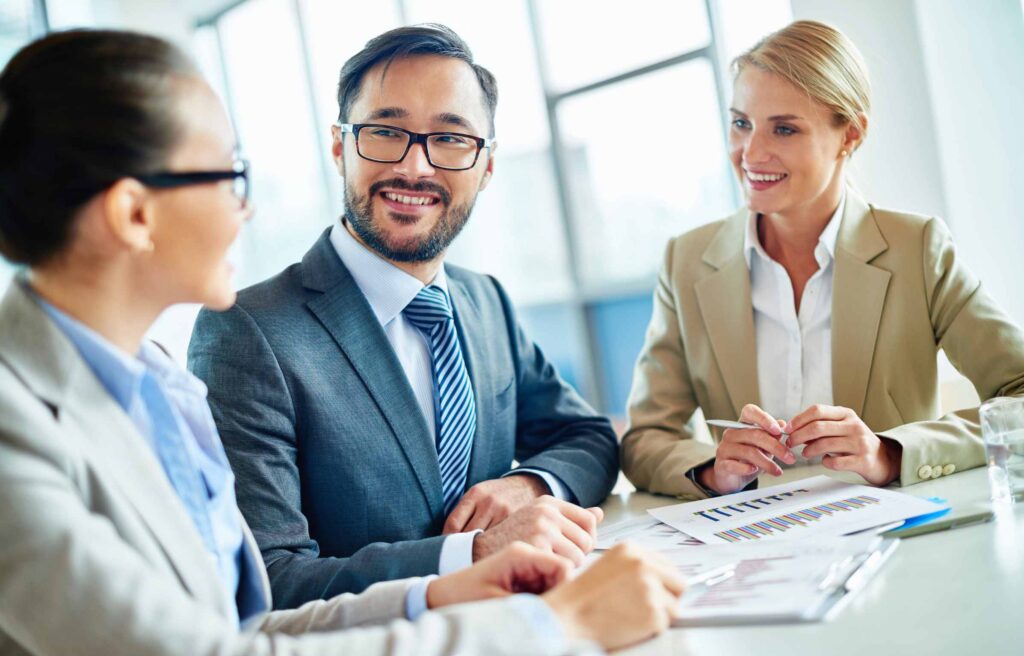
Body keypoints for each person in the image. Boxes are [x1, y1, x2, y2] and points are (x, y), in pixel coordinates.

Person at [0, 29, 685, 656]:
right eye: (227, 174)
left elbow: (241, 623)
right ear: (134, 212)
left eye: (448, 139)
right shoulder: (28, 419)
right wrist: (554, 625)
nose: (249, 206)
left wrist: (442, 589)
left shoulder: (150, 384)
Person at [187, 24, 619, 607]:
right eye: (386, 132)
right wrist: (472, 556)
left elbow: (586, 436)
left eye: (450, 138)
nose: (415, 168)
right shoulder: (248, 330)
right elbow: (268, 577)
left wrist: (528, 484)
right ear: (340, 146)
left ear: (486, 166)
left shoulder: (484, 299)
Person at [622, 19, 1024, 499]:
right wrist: (712, 469)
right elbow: (645, 437)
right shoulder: (686, 262)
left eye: (784, 129)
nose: (751, 153)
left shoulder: (916, 249)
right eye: (741, 123)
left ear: (849, 135)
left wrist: (890, 452)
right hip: (756, 549)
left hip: (898, 538)